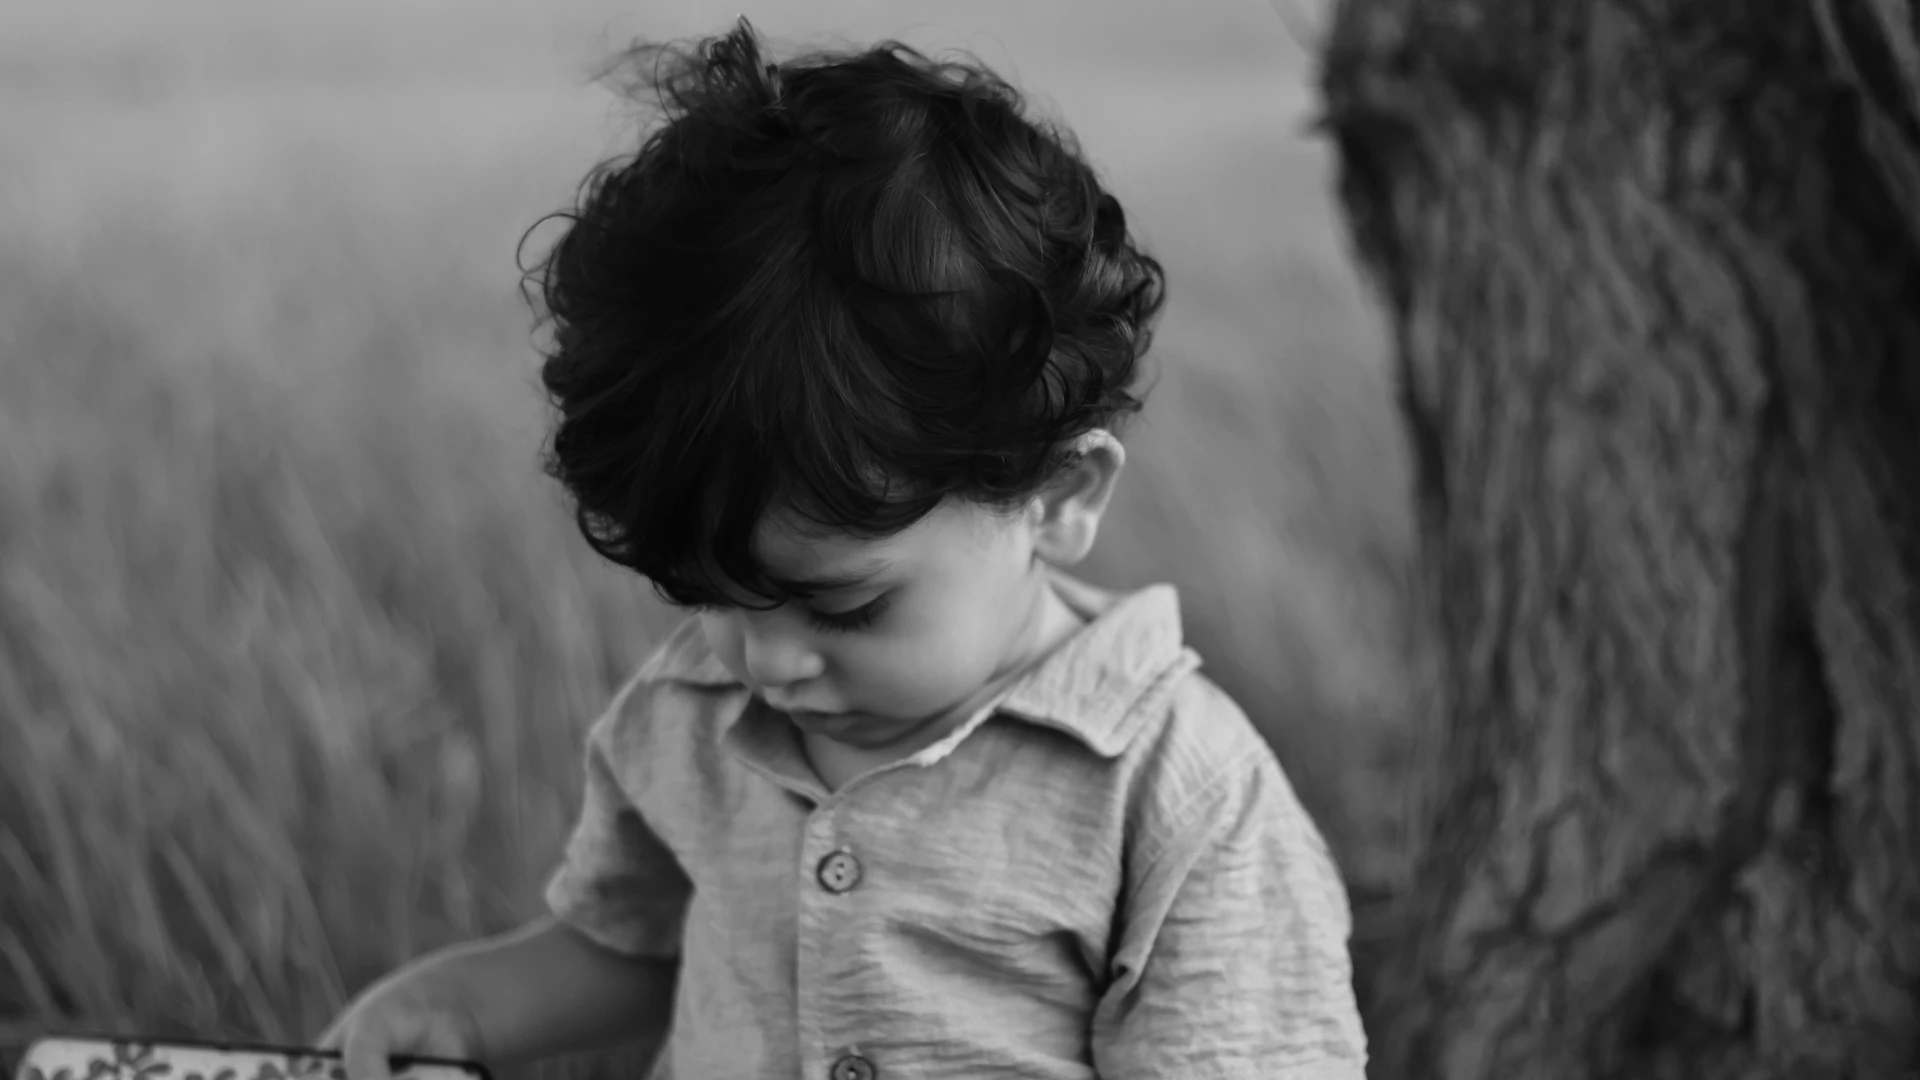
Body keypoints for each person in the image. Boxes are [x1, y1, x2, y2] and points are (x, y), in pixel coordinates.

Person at [317, 16, 1367, 1080]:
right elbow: (637, 945)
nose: (765, 663)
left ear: (1057, 495)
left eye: (844, 607)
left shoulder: (1175, 793)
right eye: (710, 597)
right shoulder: (688, 715)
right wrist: (459, 1007)